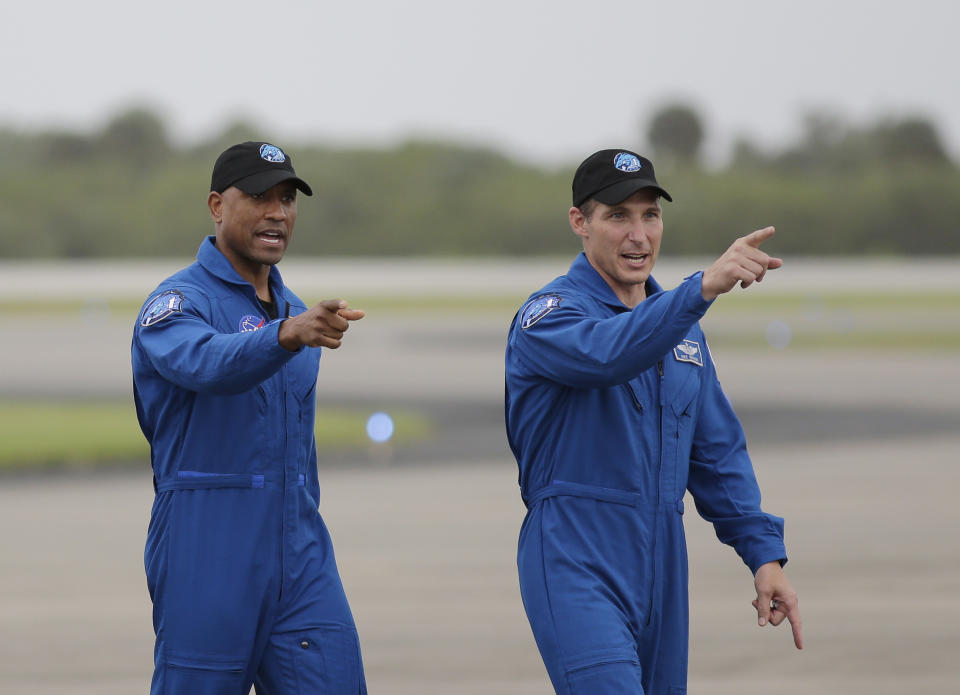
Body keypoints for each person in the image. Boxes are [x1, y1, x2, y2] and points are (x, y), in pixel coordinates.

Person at [504, 149, 802, 694]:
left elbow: (717, 455)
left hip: (663, 560)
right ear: (580, 222)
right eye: (618, 216)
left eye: (650, 215)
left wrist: (764, 556)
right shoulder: (548, 316)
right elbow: (607, 354)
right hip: (575, 555)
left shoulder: (684, 334)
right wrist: (700, 290)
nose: (638, 234)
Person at [132, 141, 367, 694]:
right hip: (207, 549)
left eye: (287, 199)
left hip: (301, 552)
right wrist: (284, 336)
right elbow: (206, 363)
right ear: (217, 206)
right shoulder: (175, 304)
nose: (278, 212)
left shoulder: (297, 311)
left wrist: (289, 328)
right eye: (259, 196)